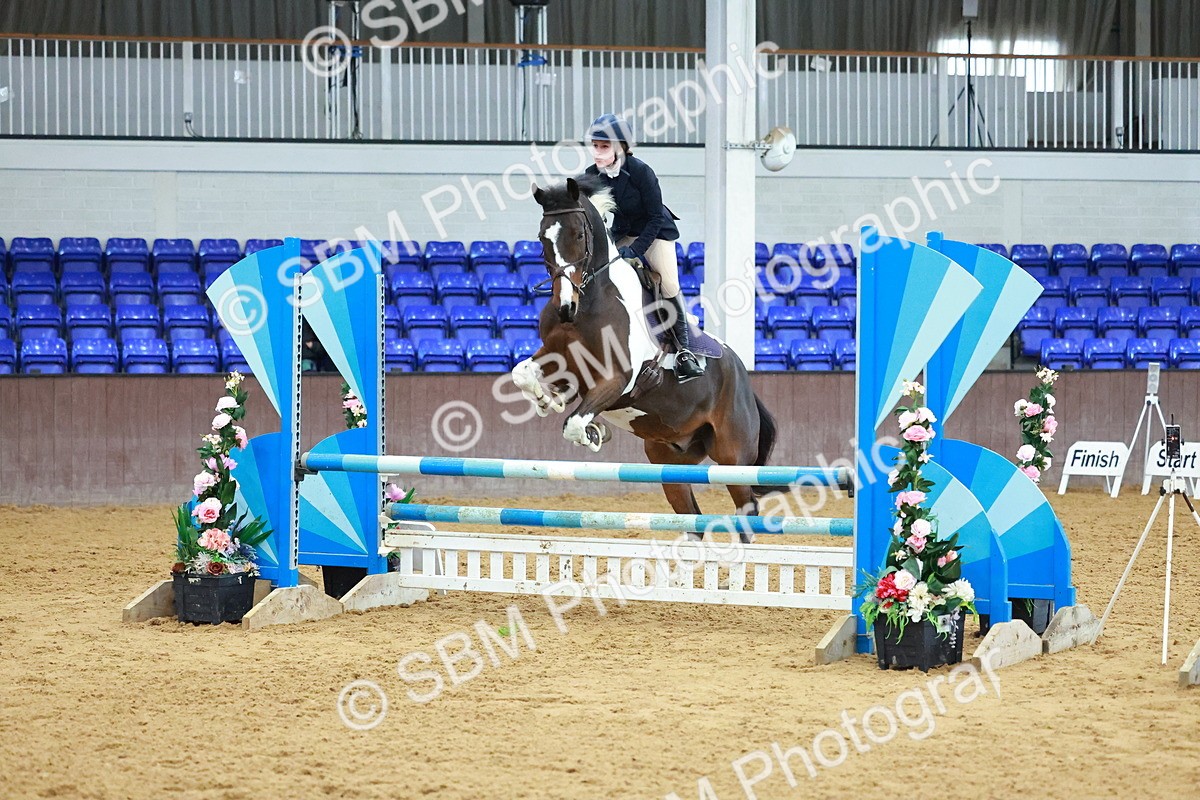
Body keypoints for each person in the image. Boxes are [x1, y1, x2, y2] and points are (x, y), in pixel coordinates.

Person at [582, 113, 703, 383]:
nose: (597, 152)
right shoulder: (591, 176)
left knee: (669, 284)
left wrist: (636, 251)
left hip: (656, 232)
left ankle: (684, 350)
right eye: (595, 146)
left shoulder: (640, 172)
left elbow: (654, 217)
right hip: (624, 233)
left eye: (604, 146)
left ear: (620, 148)